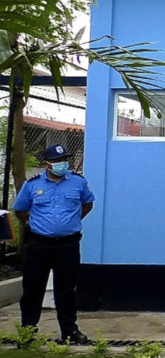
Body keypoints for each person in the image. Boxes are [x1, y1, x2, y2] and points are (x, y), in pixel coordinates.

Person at [13, 144, 94, 344]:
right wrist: (35, 225)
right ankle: (28, 333)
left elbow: (87, 204)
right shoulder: (32, 185)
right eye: (57, 161)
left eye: (64, 159)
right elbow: (21, 210)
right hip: (39, 244)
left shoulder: (78, 182)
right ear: (46, 164)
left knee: (66, 290)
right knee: (33, 289)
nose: (61, 164)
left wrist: (69, 223)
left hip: (68, 245)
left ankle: (69, 331)